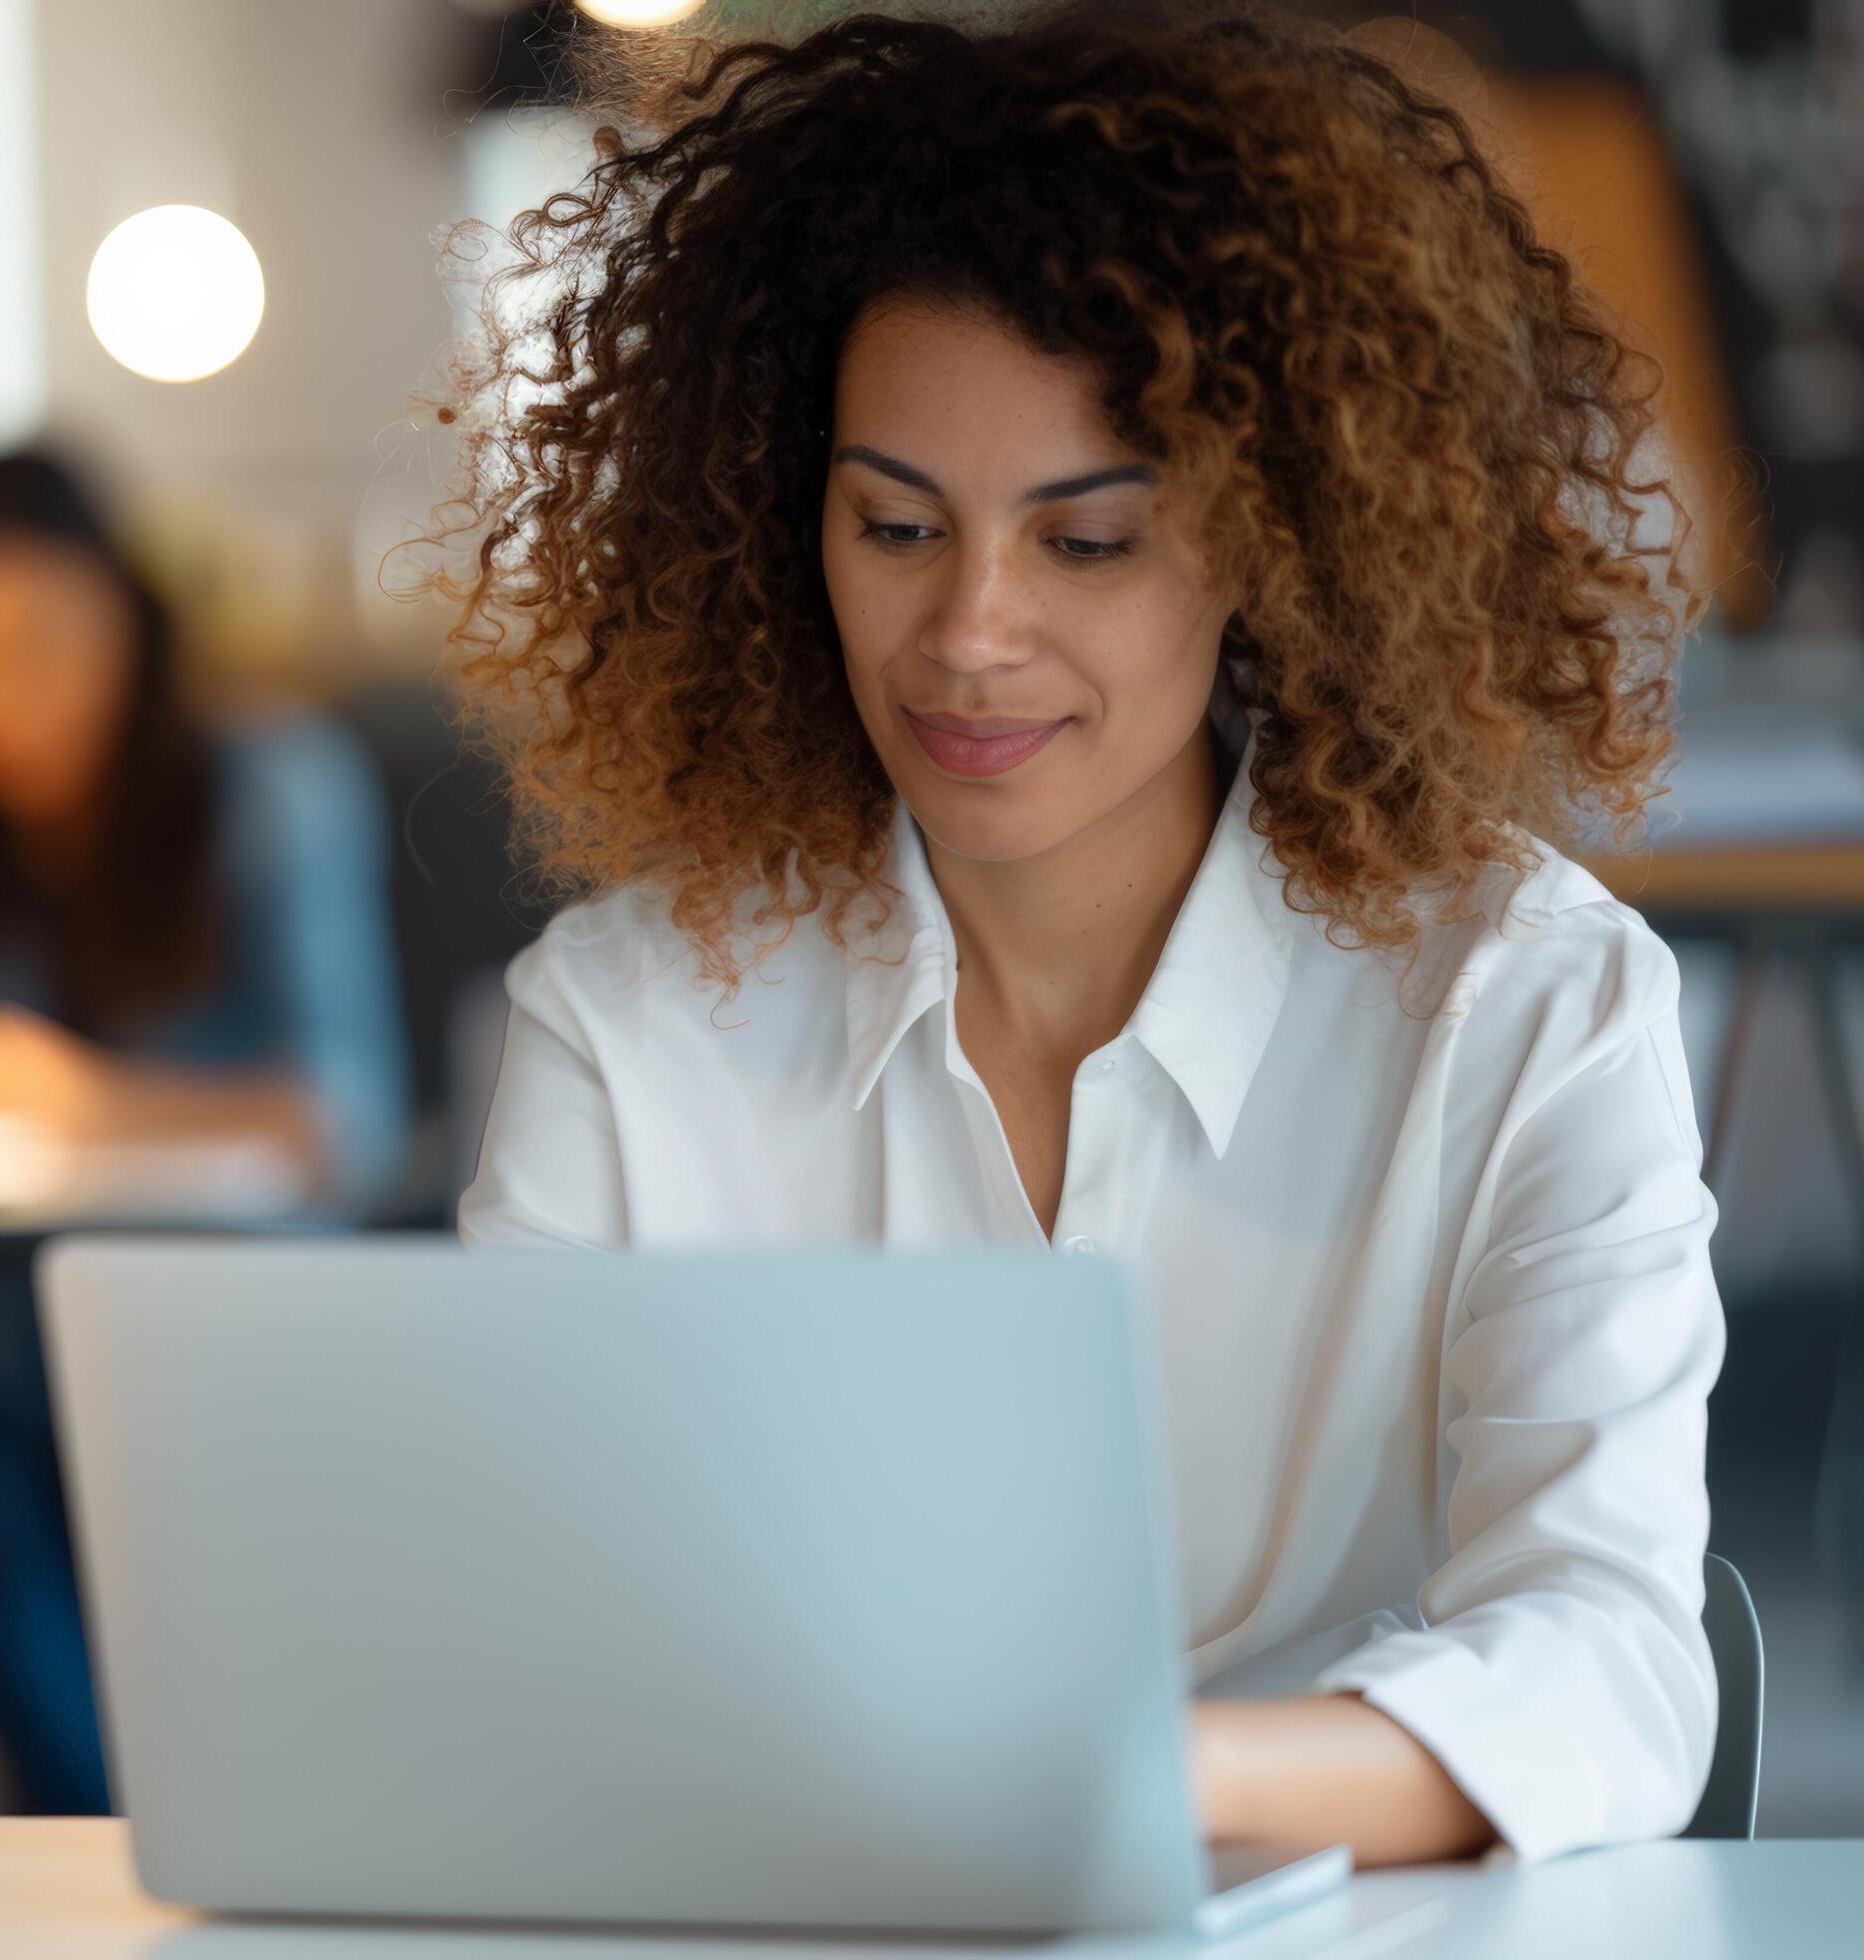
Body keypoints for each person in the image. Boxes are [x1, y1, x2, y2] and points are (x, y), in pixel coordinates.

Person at [442, 7, 1723, 1868]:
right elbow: (494, 1639)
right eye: (895, 524)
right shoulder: (630, 1027)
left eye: (1087, 544)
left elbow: (1612, 1665)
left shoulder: (1530, 1006)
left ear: (1266, 546)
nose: (966, 633)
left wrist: (1148, 1786)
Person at [0, 449, 410, 1812]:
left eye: (40, 645)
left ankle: (122, 1852)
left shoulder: (269, 786)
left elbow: (341, 1117)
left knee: (155, 1660)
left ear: (130, 619)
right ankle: (108, 1852)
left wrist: (76, 1092)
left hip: (229, 1339)